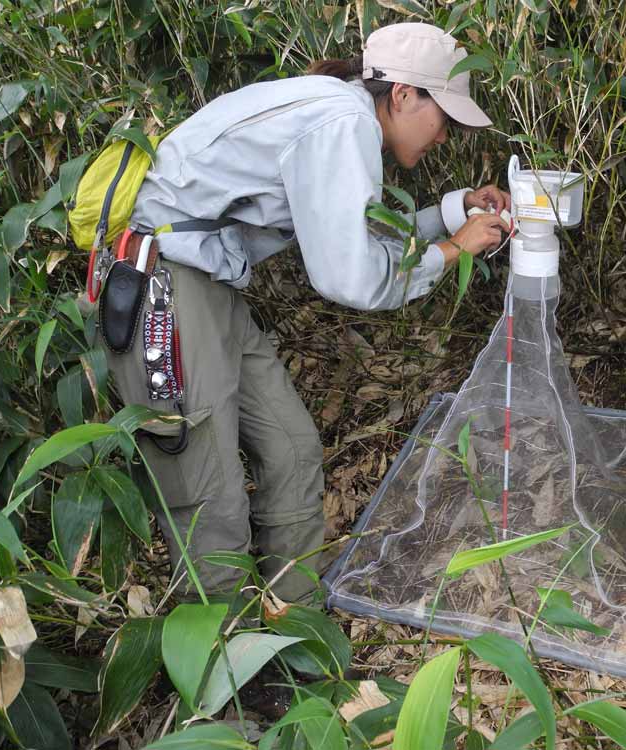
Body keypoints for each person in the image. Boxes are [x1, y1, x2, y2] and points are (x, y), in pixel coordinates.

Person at [104, 22, 511, 602]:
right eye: (443, 117)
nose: (444, 136)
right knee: (208, 487)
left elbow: (358, 235)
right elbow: (351, 276)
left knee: (292, 449)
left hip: (207, 283)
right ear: (401, 95)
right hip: (165, 285)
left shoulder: (339, 116)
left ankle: (291, 625)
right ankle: (225, 668)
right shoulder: (342, 124)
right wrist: (455, 249)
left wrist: (455, 213)